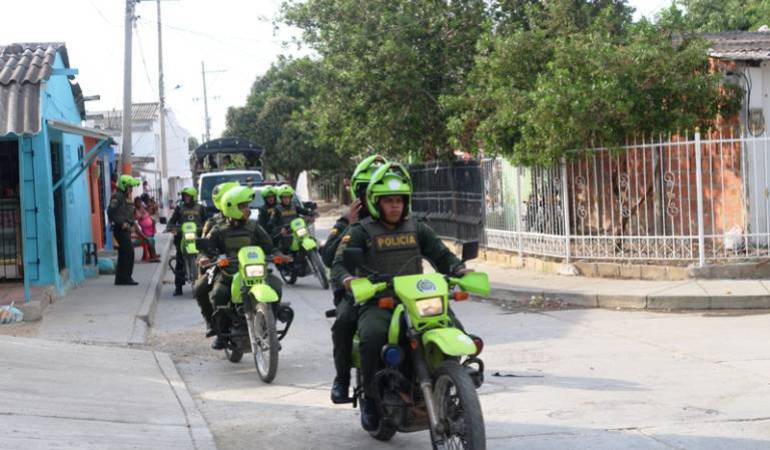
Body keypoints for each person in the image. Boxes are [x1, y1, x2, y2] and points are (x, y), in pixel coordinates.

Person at [331, 162, 471, 431]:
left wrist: (458, 268)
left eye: (399, 200)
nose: (395, 206)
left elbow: (441, 254)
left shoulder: (416, 226)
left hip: (418, 300)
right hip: (380, 301)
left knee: (457, 330)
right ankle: (371, 397)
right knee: (371, 338)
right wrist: (349, 280)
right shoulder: (361, 231)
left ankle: (454, 385)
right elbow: (338, 264)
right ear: (375, 202)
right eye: (388, 201)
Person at [321, 155, 388, 404]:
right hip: (356, 292)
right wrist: (350, 223)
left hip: (397, 290)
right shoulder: (348, 222)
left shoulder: (400, 218)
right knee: (344, 322)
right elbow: (329, 258)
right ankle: (342, 378)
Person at [203, 186, 283, 350]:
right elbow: (207, 250)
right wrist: (207, 258)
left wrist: (278, 254)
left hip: (255, 271)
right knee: (218, 295)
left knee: (276, 286)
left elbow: (268, 246)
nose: (247, 210)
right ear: (232, 208)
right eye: (243, 206)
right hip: (229, 274)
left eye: (247, 206)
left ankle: (270, 329)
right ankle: (221, 334)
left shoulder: (254, 227)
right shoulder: (218, 230)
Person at [194, 181, 240, 336]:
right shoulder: (213, 222)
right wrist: (204, 258)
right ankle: (213, 325)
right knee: (200, 289)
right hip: (221, 266)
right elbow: (203, 248)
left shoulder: (248, 221)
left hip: (248, 266)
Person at [167, 187, 208, 296]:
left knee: (204, 259)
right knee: (179, 260)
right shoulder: (179, 208)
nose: (186, 198)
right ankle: (178, 287)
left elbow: (207, 221)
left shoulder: (200, 208)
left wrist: (205, 228)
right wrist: (172, 228)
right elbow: (171, 222)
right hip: (183, 238)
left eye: (188, 196)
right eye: (185, 196)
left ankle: (204, 285)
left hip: (197, 237)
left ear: (193, 196)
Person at [108, 174, 141, 286]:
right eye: (129, 186)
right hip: (120, 229)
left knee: (123, 254)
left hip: (126, 229)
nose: (131, 189)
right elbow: (111, 212)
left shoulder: (126, 197)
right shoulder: (117, 196)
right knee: (129, 253)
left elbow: (127, 213)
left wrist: (131, 222)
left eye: (131, 187)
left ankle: (120, 279)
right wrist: (121, 223)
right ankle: (126, 278)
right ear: (124, 186)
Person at [267, 184, 315, 253]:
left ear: (290, 197)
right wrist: (280, 229)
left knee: (312, 239)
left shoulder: (294, 206)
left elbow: (304, 211)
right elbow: (271, 223)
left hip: (297, 231)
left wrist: (312, 214)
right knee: (285, 251)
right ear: (281, 198)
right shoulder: (276, 209)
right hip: (286, 234)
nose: (286, 199)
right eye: (284, 197)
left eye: (288, 197)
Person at [134, 197, 160, 262]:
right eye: (138, 202)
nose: (139, 203)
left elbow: (149, 212)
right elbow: (139, 217)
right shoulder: (135, 211)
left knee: (151, 240)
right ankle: (153, 257)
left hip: (148, 231)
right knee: (150, 240)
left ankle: (153, 256)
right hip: (142, 233)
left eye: (140, 202)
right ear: (135, 203)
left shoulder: (143, 208)